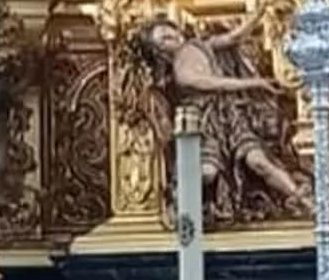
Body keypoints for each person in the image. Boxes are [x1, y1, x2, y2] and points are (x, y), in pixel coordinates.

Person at [131, 13, 311, 221]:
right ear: (159, 51)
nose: (172, 36)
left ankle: (303, 200)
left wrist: (259, 14)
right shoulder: (182, 75)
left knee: (259, 161)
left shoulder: (198, 46)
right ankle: (184, 207)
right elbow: (220, 83)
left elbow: (234, 37)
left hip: (230, 118)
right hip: (204, 127)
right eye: (163, 38)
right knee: (207, 172)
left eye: (169, 30)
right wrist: (256, 83)